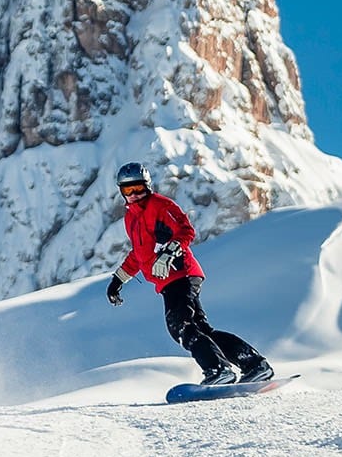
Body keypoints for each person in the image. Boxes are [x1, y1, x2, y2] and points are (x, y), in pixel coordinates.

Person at [105, 162, 273, 387]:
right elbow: (139, 254)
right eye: (128, 191)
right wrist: (118, 280)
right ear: (122, 192)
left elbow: (186, 231)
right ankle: (254, 365)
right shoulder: (131, 219)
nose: (134, 195)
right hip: (167, 282)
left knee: (179, 325)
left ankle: (218, 369)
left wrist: (168, 253)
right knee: (201, 329)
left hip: (181, 273)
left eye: (138, 189)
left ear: (147, 186)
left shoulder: (160, 205)